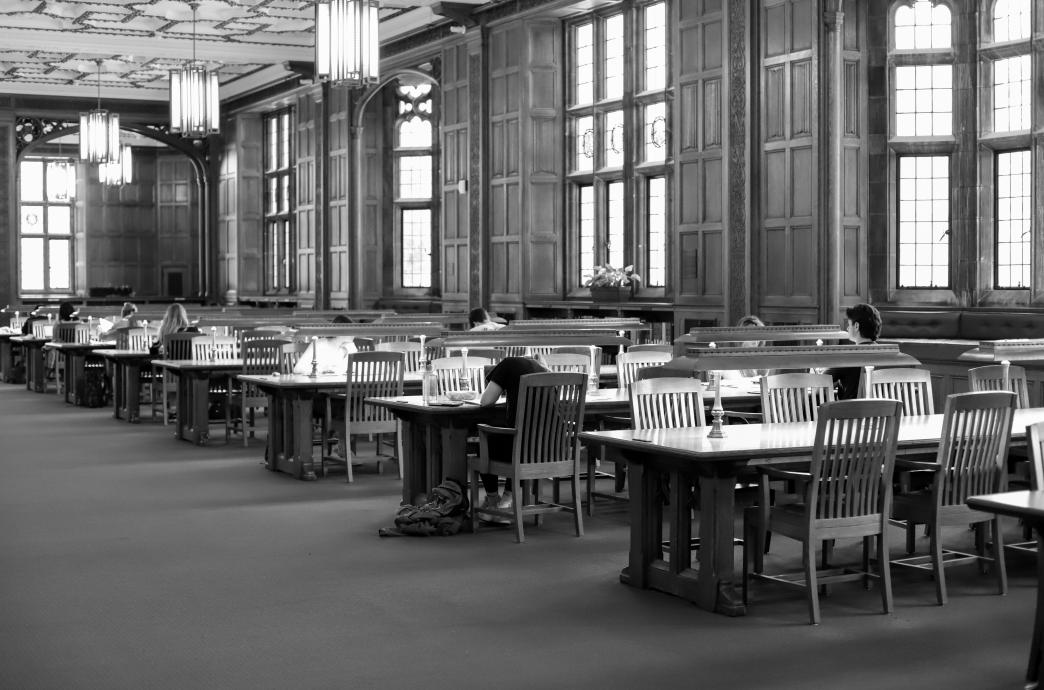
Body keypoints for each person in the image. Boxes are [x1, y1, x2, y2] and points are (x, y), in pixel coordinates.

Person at [476, 356, 549, 518]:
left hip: (520, 450)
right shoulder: (543, 369)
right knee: (522, 440)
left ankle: (493, 500)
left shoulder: (507, 364)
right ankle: (507, 499)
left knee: (485, 443)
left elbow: (486, 401)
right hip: (546, 450)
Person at [827, 302, 882, 400]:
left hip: (849, 412)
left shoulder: (849, 355)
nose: (847, 328)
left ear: (856, 326)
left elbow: (820, 382)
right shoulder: (886, 353)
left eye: (849, 324)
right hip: (880, 413)